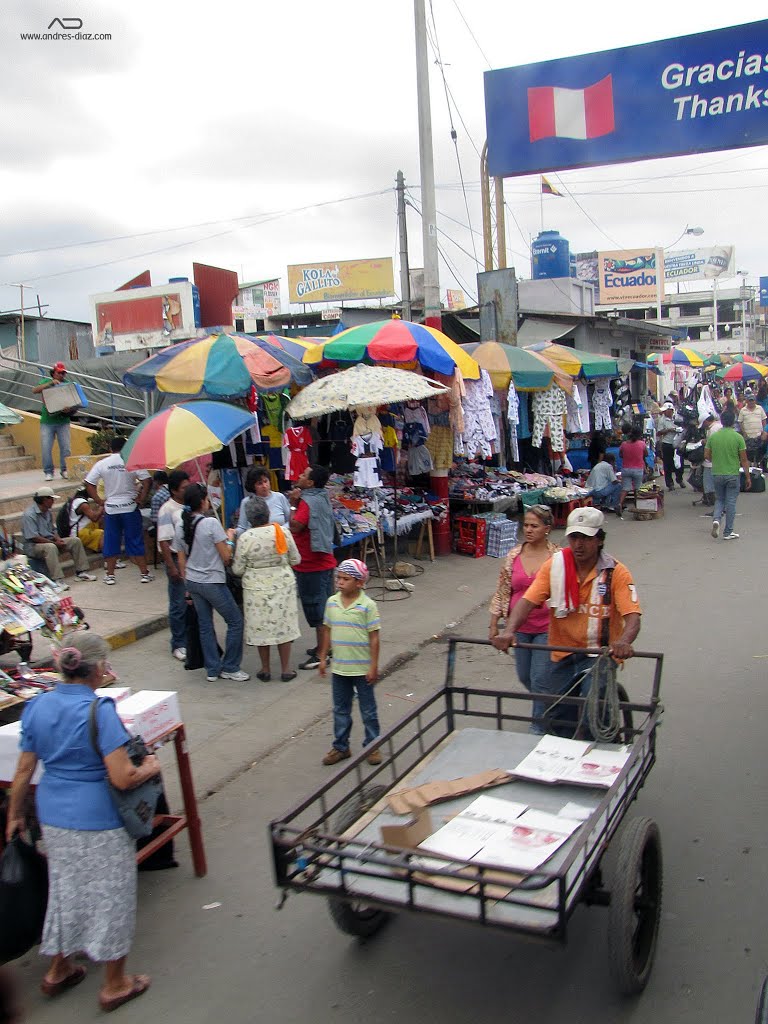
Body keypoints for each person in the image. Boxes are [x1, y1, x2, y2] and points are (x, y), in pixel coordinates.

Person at [4, 633, 159, 1012]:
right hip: (99, 818)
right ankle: (114, 983)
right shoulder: (99, 711)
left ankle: (58, 970)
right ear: (100, 669)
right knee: (111, 896)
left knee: (66, 889)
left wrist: (14, 815)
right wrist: (150, 766)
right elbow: (122, 777)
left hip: (54, 815)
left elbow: (24, 768)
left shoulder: (38, 706)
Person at [492, 507, 641, 734]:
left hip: (598, 653)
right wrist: (508, 630)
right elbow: (528, 600)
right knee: (557, 713)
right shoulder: (555, 566)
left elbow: (632, 616)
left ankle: (602, 748)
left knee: (595, 711)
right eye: (574, 537)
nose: (578, 545)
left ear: (600, 540)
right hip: (562, 650)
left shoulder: (616, 572)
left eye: (586, 538)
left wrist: (624, 641)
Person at [488, 506, 559, 733]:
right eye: (526, 525)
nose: (528, 530)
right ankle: (553, 704)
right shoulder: (514, 555)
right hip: (518, 627)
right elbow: (502, 590)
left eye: (534, 526)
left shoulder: (557, 557)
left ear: (547, 529)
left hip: (547, 627)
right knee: (525, 676)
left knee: (539, 678)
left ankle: (539, 727)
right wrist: (493, 625)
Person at [174, 483, 249, 682]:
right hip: (212, 581)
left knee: (205, 624)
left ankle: (212, 668)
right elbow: (226, 557)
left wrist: (186, 585)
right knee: (235, 621)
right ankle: (231, 666)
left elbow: (181, 559)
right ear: (202, 501)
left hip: (193, 581)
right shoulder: (210, 524)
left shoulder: (182, 525)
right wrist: (231, 538)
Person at [318, 559, 381, 766]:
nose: (340, 582)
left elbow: (374, 637)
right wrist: (322, 657)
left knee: (368, 710)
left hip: (362, 668)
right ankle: (340, 747)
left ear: (360, 583)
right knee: (340, 709)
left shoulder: (368, 606)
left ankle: (372, 746)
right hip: (340, 668)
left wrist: (373, 665)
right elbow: (327, 630)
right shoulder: (332, 603)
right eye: (339, 578)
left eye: (346, 579)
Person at [231, 495, 301, 682]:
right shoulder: (282, 533)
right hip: (282, 584)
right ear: (268, 513)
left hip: (255, 589)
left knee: (261, 627)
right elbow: (296, 559)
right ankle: (286, 669)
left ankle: (265, 669)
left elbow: (237, 569)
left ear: (249, 517)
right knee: (283, 626)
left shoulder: (245, 538)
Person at [85, 437, 153, 586]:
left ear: (110, 448)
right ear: (126, 447)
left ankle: (110, 575)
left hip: (111, 509)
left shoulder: (102, 464)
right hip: (130, 507)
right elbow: (147, 480)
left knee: (111, 541)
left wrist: (99, 501)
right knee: (135, 540)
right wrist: (141, 498)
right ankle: (144, 573)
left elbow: (88, 483)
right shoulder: (133, 461)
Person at [289, 464, 337, 671]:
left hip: (311, 564)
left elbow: (295, 526)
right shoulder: (322, 497)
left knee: (316, 609)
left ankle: (321, 654)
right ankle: (326, 647)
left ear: (310, 482)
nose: (299, 476)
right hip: (325, 560)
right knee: (325, 608)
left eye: (303, 474)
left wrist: (292, 504)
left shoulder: (306, 502)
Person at [21, 486, 96, 585]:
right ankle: (58, 579)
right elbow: (34, 537)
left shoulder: (47, 512)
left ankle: (81, 572)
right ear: (44, 499)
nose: (53, 501)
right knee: (51, 547)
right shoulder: (29, 515)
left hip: (49, 540)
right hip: (33, 546)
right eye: (51, 499)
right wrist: (54, 543)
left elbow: (53, 529)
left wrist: (58, 539)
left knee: (75, 541)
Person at [156, 469, 190, 662]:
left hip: (192, 559)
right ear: (175, 490)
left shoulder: (189, 505)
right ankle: (178, 643)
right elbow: (164, 541)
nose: (187, 490)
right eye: (184, 487)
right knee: (178, 603)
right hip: (177, 559)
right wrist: (171, 566)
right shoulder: (167, 509)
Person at [706, 408, 750, 540]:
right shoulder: (738, 437)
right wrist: (748, 477)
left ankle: (716, 519)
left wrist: (717, 460)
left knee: (720, 499)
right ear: (733, 422)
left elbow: (706, 455)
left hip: (717, 473)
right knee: (730, 502)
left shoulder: (713, 437)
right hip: (732, 474)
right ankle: (728, 531)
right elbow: (743, 459)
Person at [32, 362, 72, 482]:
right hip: (47, 421)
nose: (61, 375)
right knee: (46, 447)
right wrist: (50, 384)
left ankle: (64, 469)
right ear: (53, 373)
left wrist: (69, 408)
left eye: (63, 373)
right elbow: (34, 390)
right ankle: (48, 472)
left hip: (63, 420)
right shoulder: (45, 382)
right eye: (59, 372)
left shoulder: (67, 384)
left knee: (65, 447)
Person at [234, 467, 291, 537]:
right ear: (253, 486)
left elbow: (289, 521)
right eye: (259, 483)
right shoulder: (246, 502)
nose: (264, 486)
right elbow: (242, 527)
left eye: (265, 481)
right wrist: (233, 533)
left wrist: (279, 530)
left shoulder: (280, 497)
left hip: (280, 538)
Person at [618, 426, 648, 513]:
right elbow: (645, 454)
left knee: (625, 488)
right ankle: (637, 505)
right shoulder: (642, 444)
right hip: (638, 469)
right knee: (637, 488)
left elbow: (620, 455)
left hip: (626, 469)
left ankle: (619, 504)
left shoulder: (624, 444)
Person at [657, 402, 684, 491]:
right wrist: (669, 430)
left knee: (680, 463)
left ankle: (679, 479)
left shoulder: (677, 418)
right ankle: (669, 483)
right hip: (667, 443)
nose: (667, 412)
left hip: (678, 443)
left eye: (669, 411)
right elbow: (659, 432)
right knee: (667, 464)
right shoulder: (662, 420)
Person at [68, 487, 104, 552]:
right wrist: (101, 506)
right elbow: (94, 518)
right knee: (102, 533)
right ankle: (107, 555)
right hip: (78, 533)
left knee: (103, 519)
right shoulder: (82, 504)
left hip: (85, 528)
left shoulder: (77, 501)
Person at [737, 387, 767, 465]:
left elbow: (764, 420)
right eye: (749, 401)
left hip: (759, 436)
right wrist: (744, 433)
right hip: (748, 437)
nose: (751, 402)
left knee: (759, 455)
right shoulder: (743, 410)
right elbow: (740, 422)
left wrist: (764, 431)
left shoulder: (760, 408)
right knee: (748, 456)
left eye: (752, 400)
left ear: (755, 401)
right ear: (747, 401)